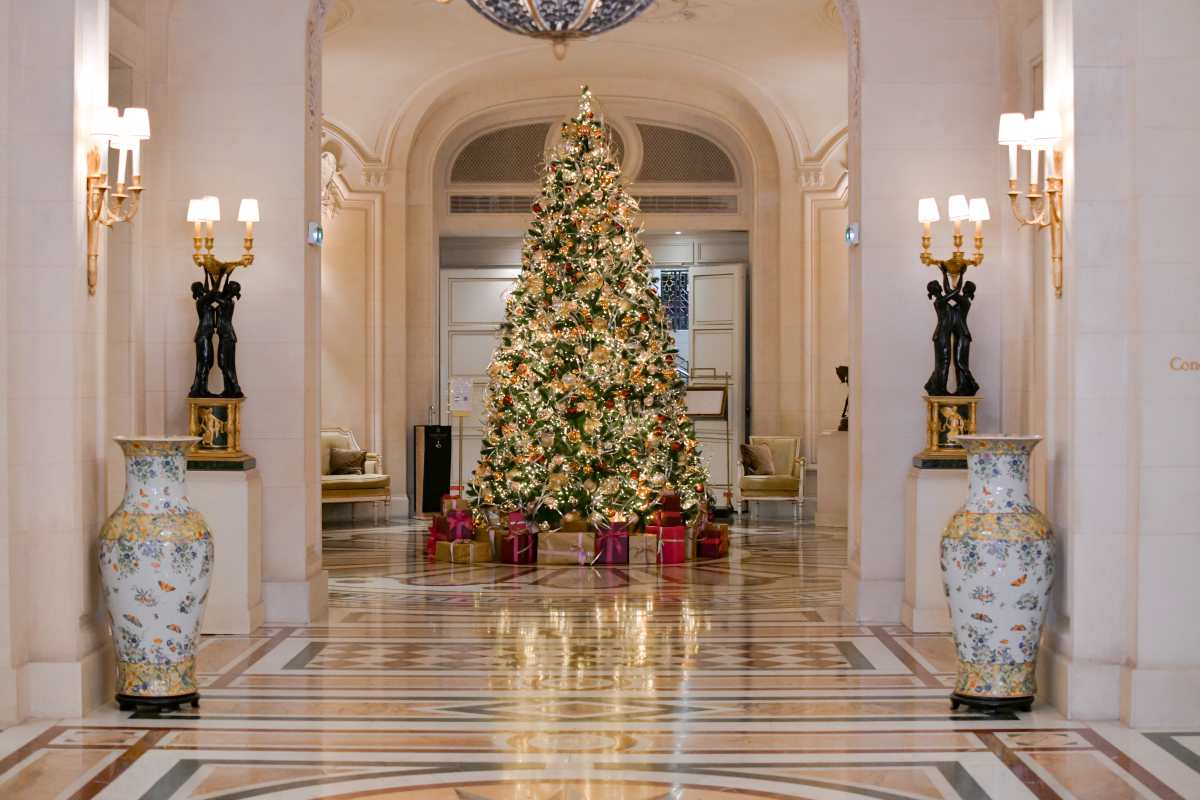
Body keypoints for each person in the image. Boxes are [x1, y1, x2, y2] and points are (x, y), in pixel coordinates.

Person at [923, 278, 956, 396]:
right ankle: (940, 389)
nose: (940, 286)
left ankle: (932, 385)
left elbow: (952, 293)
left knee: (942, 362)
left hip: (942, 334)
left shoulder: (941, 300)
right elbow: (955, 292)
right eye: (937, 285)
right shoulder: (939, 301)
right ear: (936, 289)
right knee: (944, 362)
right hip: (941, 335)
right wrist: (945, 274)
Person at [189, 282, 218, 397]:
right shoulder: (201, 301)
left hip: (206, 335)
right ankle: (200, 390)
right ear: (199, 290)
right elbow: (213, 293)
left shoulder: (205, 301)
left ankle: (201, 388)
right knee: (204, 363)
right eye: (202, 288)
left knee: (208, 363)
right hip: (203, 335)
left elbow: (213, 294)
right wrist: (220, 276)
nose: (204, 289)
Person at [215, 280, 243, 398]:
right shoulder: (225, 300)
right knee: (224, 364)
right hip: (225, 336)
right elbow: (217, 294)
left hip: (228, 336)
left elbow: (214, 295)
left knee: (225, 364)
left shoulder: (227, 302)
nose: (226, 287)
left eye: (228, 286)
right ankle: (228, 389)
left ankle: (235, 388)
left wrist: (219, 278)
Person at [951, 280, 979, 396]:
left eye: (966, 286)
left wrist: (960, 275)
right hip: (958, 334)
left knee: (960, 361)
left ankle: (972, 384)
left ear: (968, 290)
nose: (964, 288)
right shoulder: (963, 300)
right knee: (957, 363)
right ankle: (961, 387)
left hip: (963, 334)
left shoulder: (964, 301)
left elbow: (950, 292)